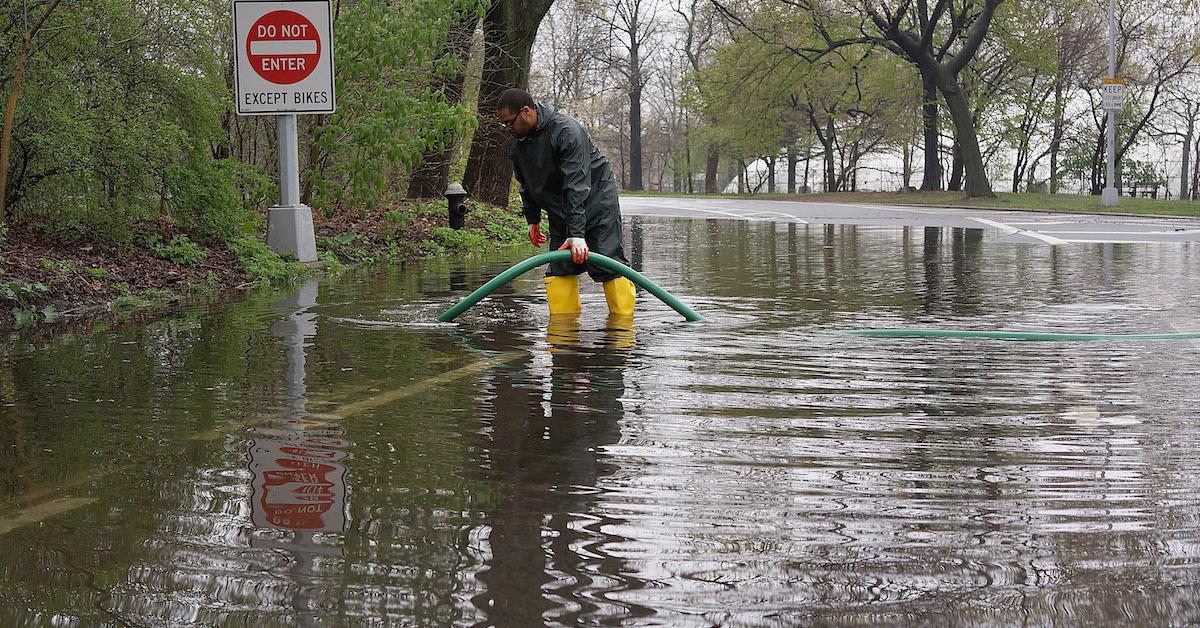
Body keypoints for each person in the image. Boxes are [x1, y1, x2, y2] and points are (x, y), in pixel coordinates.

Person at [497, 88, 636, 317]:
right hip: (559, 208)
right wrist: (532, 220)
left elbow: (577, 185)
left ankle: (622, 332)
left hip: (596, 203)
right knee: (560, 268)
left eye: (509, 122)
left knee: (608, 263)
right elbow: (526, 183)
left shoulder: (566, 131)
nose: (507, 128)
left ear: (526, 111)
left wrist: (578, 234)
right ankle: (563, 332)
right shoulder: (516, 144)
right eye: (504, 125)